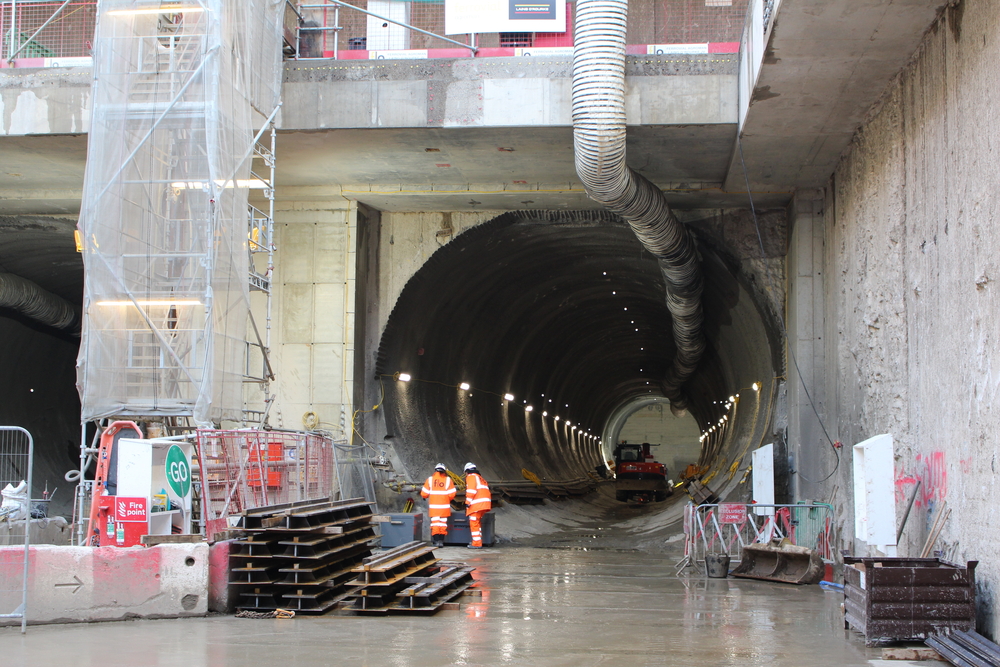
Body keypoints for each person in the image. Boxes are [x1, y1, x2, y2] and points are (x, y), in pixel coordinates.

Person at [420, 463, 456, 546]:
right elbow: (452, 495)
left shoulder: (430, 480)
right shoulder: (448, 480)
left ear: (435, 470)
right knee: (443, 523)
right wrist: (446, 499)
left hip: (434, 507)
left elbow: (424, 493)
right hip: (444, 507)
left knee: (435, 523)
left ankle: (436, 541)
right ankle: (441, 541)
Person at [463, 462, 492, 549]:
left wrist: (467, 502)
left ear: (467, 471)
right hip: (484, 504)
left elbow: (471, 490)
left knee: (474, 522)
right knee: (477, 522)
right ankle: (477, 541)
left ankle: (476, 543)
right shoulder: (481, 478)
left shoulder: (471, 477)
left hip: (477, 504)